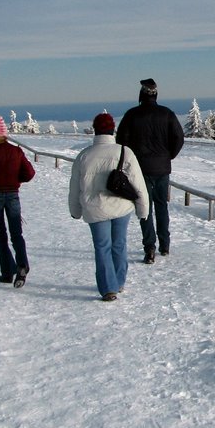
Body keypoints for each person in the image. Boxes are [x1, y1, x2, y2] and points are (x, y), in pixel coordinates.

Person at [68, 112, 149, 301]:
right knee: (119, 244)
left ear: (95, 131)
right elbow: (139, 183)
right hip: (121, 207)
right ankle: (119, 281)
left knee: (102, 246)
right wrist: (143, 209)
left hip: (95, 209)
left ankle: (108, 288)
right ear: (113, 130)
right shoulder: (124, 152)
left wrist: (75, 211)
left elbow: (75, 188)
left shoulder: (84, 155)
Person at [116, 78, 184, 263]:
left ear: (141, 94)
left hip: (140, 169)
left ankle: (150, 247)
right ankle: (165, 245)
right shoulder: (167, 114)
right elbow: (179, 138)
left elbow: (121, 141)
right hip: (162, 168)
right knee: (162, 205)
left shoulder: (132, 115)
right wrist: (168, 156)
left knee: (145, 207)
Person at [0, 114, 36, 287]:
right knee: (16, 234)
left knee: (0, 235)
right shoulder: (15, 150)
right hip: (13, 195)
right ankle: (22, 265)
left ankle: (7, 272)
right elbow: (29, 173)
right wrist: (16, 180)